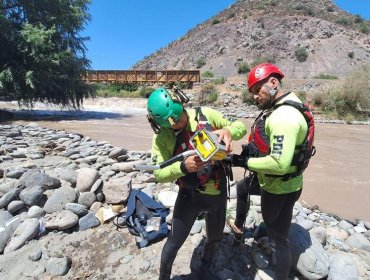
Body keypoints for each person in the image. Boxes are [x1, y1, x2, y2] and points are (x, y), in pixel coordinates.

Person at [146, 87, 246, 280]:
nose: (180, 124)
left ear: (183, 103)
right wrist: (183, 167)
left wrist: (228, 131)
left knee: (214, 238)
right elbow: (158, 173)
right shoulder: (162, 138)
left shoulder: (206, 115)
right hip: (189, 195)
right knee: (174, 241)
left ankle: (204, 272)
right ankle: (163, 276)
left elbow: (241, 126)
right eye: (174, 125)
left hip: (217, 193)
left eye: (182, 117)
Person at [229, 63, 315, 280]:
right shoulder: (285, 106)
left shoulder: (283, 117)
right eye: (252, 93)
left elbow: (278, 164)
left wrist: (243, 161)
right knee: (242, 188)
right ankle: (239, 228)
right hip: (287, 183)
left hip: (277, 189)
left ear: (273, 83)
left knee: (280, 240)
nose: (255, 97)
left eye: (258, 90)